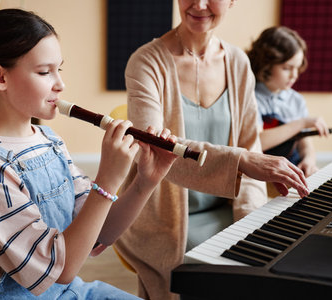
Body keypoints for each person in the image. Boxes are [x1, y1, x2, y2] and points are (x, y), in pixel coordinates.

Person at [0, 8, 179, 299]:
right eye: (45, 72)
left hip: (68, 291)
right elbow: (60, 269)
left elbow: (100, 233)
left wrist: (145, 180)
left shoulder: (48, 139)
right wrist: (106, 180)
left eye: (59, 69)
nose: (60, 84)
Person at [114, 1, 309, 299]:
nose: (200, 4)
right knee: (215, 271)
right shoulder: (145, 62)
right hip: (164, 216)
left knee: (278, 251)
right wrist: (242, 160)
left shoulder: (238, 63)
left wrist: (250, 214)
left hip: (226, 206)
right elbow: (156, 149)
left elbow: (249, 143)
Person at [247, 26, 329, 177]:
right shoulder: (250, 97)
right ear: (266, 65)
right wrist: (301, 123)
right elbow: (257, 142)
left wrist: (309, 160)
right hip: (263, 173)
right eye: (287, 68)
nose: (294, 75)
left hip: (293, 167)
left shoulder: (296, 100)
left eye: (297, 68)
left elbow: (305, 142)